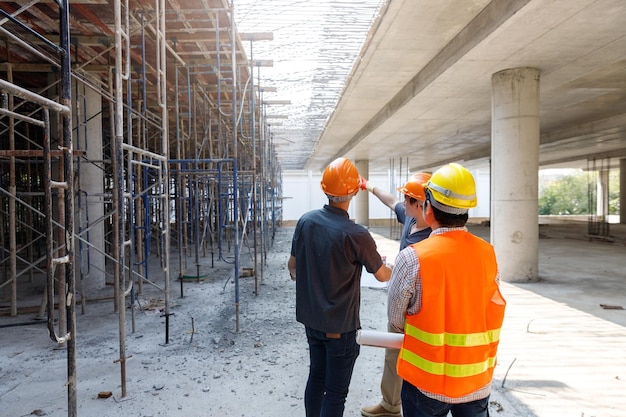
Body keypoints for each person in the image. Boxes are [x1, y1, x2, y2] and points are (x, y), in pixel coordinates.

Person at [387, 162, 506, 417]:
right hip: (476, 380)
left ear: (427, 207)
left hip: (426, 386)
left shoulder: (412, 258)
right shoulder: (488, 254)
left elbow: (396, 321)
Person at [288, 157, 392, 417]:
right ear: (355, 191)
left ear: (324, 189)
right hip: (340, 328)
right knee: (335, 392)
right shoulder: (356, 234)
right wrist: (395, 265)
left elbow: (292, 267)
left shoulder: (306, 221)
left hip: (312, 321)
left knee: (316, 378)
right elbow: (381, 275)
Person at [359, 172, 432, 417]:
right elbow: (391, 201)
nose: (402, 202)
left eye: (407, 199)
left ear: (419, 204)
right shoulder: (411, 220)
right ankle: (390, 405)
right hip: (401, 305)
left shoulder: (432, 237)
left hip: (419, 309)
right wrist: (368, 186)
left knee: (418, 362)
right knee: (393, 355)